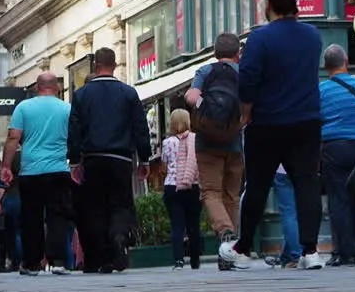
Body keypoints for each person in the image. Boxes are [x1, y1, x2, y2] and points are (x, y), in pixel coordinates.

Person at [234, 0, 325, 270]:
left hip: (268, 122)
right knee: (306, 184)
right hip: (306, 121)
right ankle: (310, 251)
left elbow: (247, 78)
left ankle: (243, 249)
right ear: (295, 4)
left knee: (258, 186)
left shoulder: (260, 39)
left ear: (267, 6)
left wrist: (246, 113)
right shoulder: (312, 36)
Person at [68, 48, 151, 273]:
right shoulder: (128, 93)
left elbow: (74, 130)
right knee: (120, 203)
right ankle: (118, 237)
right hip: (121, 157)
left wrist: (75, 161)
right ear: (114, 65)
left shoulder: (82, 94)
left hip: (93, 158)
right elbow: (140, 128)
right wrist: (144, 159)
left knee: (95, 207)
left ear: (96, 66)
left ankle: (102, 257)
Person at [184, 33, 247, 271]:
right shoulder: (243, 74)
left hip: (207, 141)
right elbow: (250, 105)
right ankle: (228, 254)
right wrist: (238, 122)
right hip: (234, 142)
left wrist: (206, 109)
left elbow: (191, 97)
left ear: (214, 53)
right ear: (237, 54)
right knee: (232, 195)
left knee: (211, 192)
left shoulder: (206, 71)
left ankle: (225, 232)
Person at [2, 72, 73, 275]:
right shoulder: (67, 108)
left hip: (30, 170)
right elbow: (75, 138)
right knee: (57, 215)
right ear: (57, 88)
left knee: (31, 217)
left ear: (36, 88)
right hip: (58, 169)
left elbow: (13, 137)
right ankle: (58, 261)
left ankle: (32, 263)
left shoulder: (23, 108)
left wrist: (6, 166)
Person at [317, 44, 355, 266]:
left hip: (334, 147)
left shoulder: (322, 91)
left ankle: (342, 252)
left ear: (325, 67)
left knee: (338, 199)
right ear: (347, 62)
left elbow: (316, 119)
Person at [161, 108, 202, 269]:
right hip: (193, 185)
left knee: (177, 225)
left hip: (172, 186)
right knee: (194, 225)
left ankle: (178, 260)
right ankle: (195, 260)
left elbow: (164, 167)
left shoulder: (167, 143)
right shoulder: (196, 140)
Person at [0, 148, 22, 273]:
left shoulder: (10, 157)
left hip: (11, 197)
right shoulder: (29, 156)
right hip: (26, 196)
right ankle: (28, 261)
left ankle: (15, 261)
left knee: (12, 232)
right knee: (24, 231)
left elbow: (3, 182)